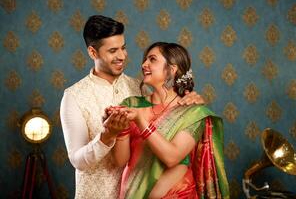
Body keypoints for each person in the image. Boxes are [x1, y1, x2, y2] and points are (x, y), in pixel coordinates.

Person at [60, 15, 205, 198]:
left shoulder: (140, 88)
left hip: (146, 191)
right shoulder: (74, 96)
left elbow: (170, 126)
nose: (122, 56)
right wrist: (107, 136)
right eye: (113, 50)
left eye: (123, 48)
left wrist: (192, 100)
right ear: (93, 53)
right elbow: (77, 160)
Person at [110, 42, 230, 198]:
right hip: (134, 191)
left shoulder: (192, 111)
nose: (144, 64)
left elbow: (172, 157)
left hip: (178, 194)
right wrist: (120, 128)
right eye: (145, 59)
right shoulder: (131, 104)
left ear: (172, 70)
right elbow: (120, 161)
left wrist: (141, 121)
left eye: (152, 59)